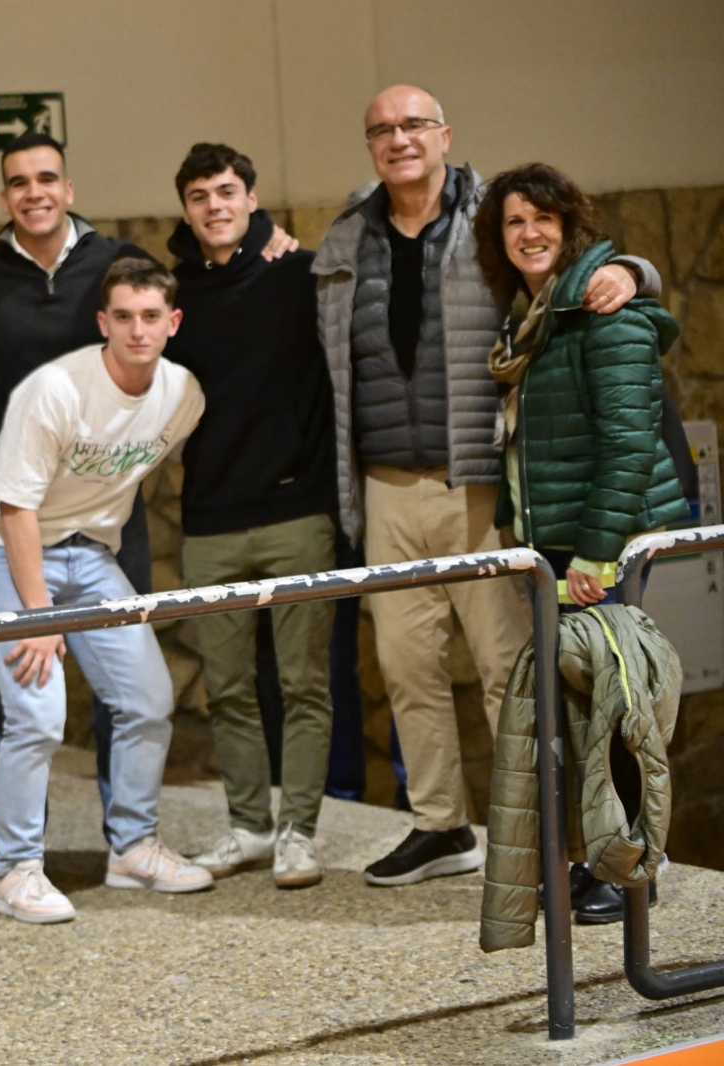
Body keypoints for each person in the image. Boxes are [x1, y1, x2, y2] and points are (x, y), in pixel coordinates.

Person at [0, 132, 295, 826]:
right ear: (4, 197)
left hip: (105, 516)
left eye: (47, 178)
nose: (35, 192)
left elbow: (193, 275)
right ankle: (26, 842)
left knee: (124, 687)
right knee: (27, 689)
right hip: (15, 517)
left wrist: (266, 236)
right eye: (20, 182)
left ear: (69, 190)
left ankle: (125, 836)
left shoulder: (115, 263)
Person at [312, 85, 661, 887]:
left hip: (476, 482)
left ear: (444, 135)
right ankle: (441, 825)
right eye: (382, 129)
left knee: (511, 669)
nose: (399, 139)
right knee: (407, 670)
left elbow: (571, 270)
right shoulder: (346, 236)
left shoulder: (492, 219)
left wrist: (634, 273)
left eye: (414, 125)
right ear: (370, 146)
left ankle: (537, 833)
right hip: (384, 488)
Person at [0, 258, 210, 925]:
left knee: (149, 699)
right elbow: (15, 509)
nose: (137, 330)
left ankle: (131, 848)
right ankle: (15, 870)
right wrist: (38, 617)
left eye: (150, 317)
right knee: (37, 714)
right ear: (103, 322)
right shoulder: (56, 391)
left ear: (173, 323)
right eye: (123, 317)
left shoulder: (183, 396)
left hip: (88, 551)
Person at [473, 161, 688, 922]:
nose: (529, 233)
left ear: (569, 227)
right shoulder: (533, 316)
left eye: (544, 219)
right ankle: (602, 862)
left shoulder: (604, 309)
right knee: (586, 708)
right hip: (560, 541)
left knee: (619, 707)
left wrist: (597, 553)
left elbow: (629, 445)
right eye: (515, 221)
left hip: (607, 544)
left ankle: (632, 872)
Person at [162, 144, 337, 889]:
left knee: (303, 684)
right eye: (200, 195)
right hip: (209, 519)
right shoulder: (174, 298)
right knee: (228, 687)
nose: (215, 206)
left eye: (227, 191)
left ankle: (298, 832)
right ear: (186, 208)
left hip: (296, 513)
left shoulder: (298, 274)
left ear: (251, 197)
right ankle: (250, 826)